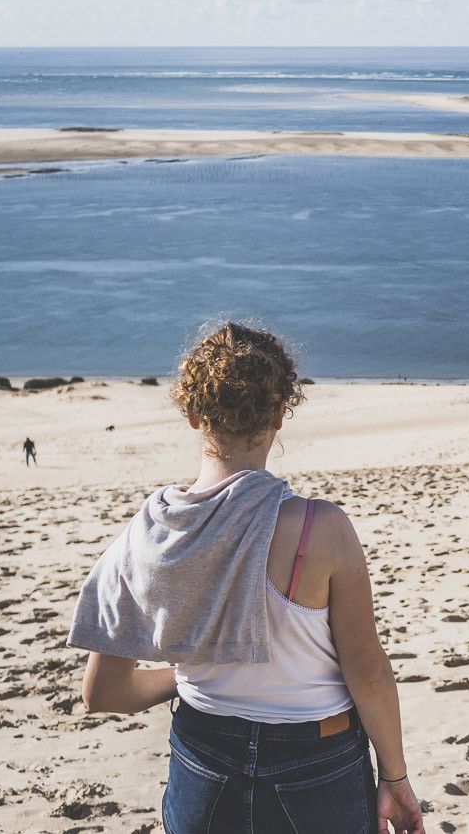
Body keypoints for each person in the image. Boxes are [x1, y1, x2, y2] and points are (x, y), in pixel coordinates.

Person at [67, 322, 423, 834]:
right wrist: (395, 777)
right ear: (280, 413)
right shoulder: (320, 529)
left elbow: (102, 694)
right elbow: (367, 673)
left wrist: (191, 671)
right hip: (317, 763)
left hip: (203, 763)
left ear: (192, 415)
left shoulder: (147, 535)